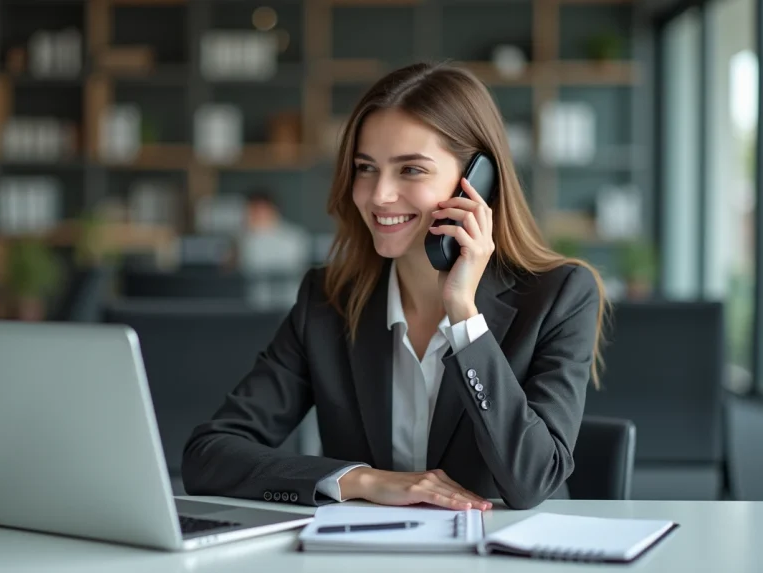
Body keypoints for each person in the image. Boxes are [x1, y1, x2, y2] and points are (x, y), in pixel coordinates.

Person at [182, 62, 608, 511]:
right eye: (366, 168)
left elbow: (532, 479)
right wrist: (359, 480)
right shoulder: (329, 299)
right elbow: (208, 455)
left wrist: (463, 314)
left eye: (411, 170)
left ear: (478, 182)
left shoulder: (559, 295)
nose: (379, 194)